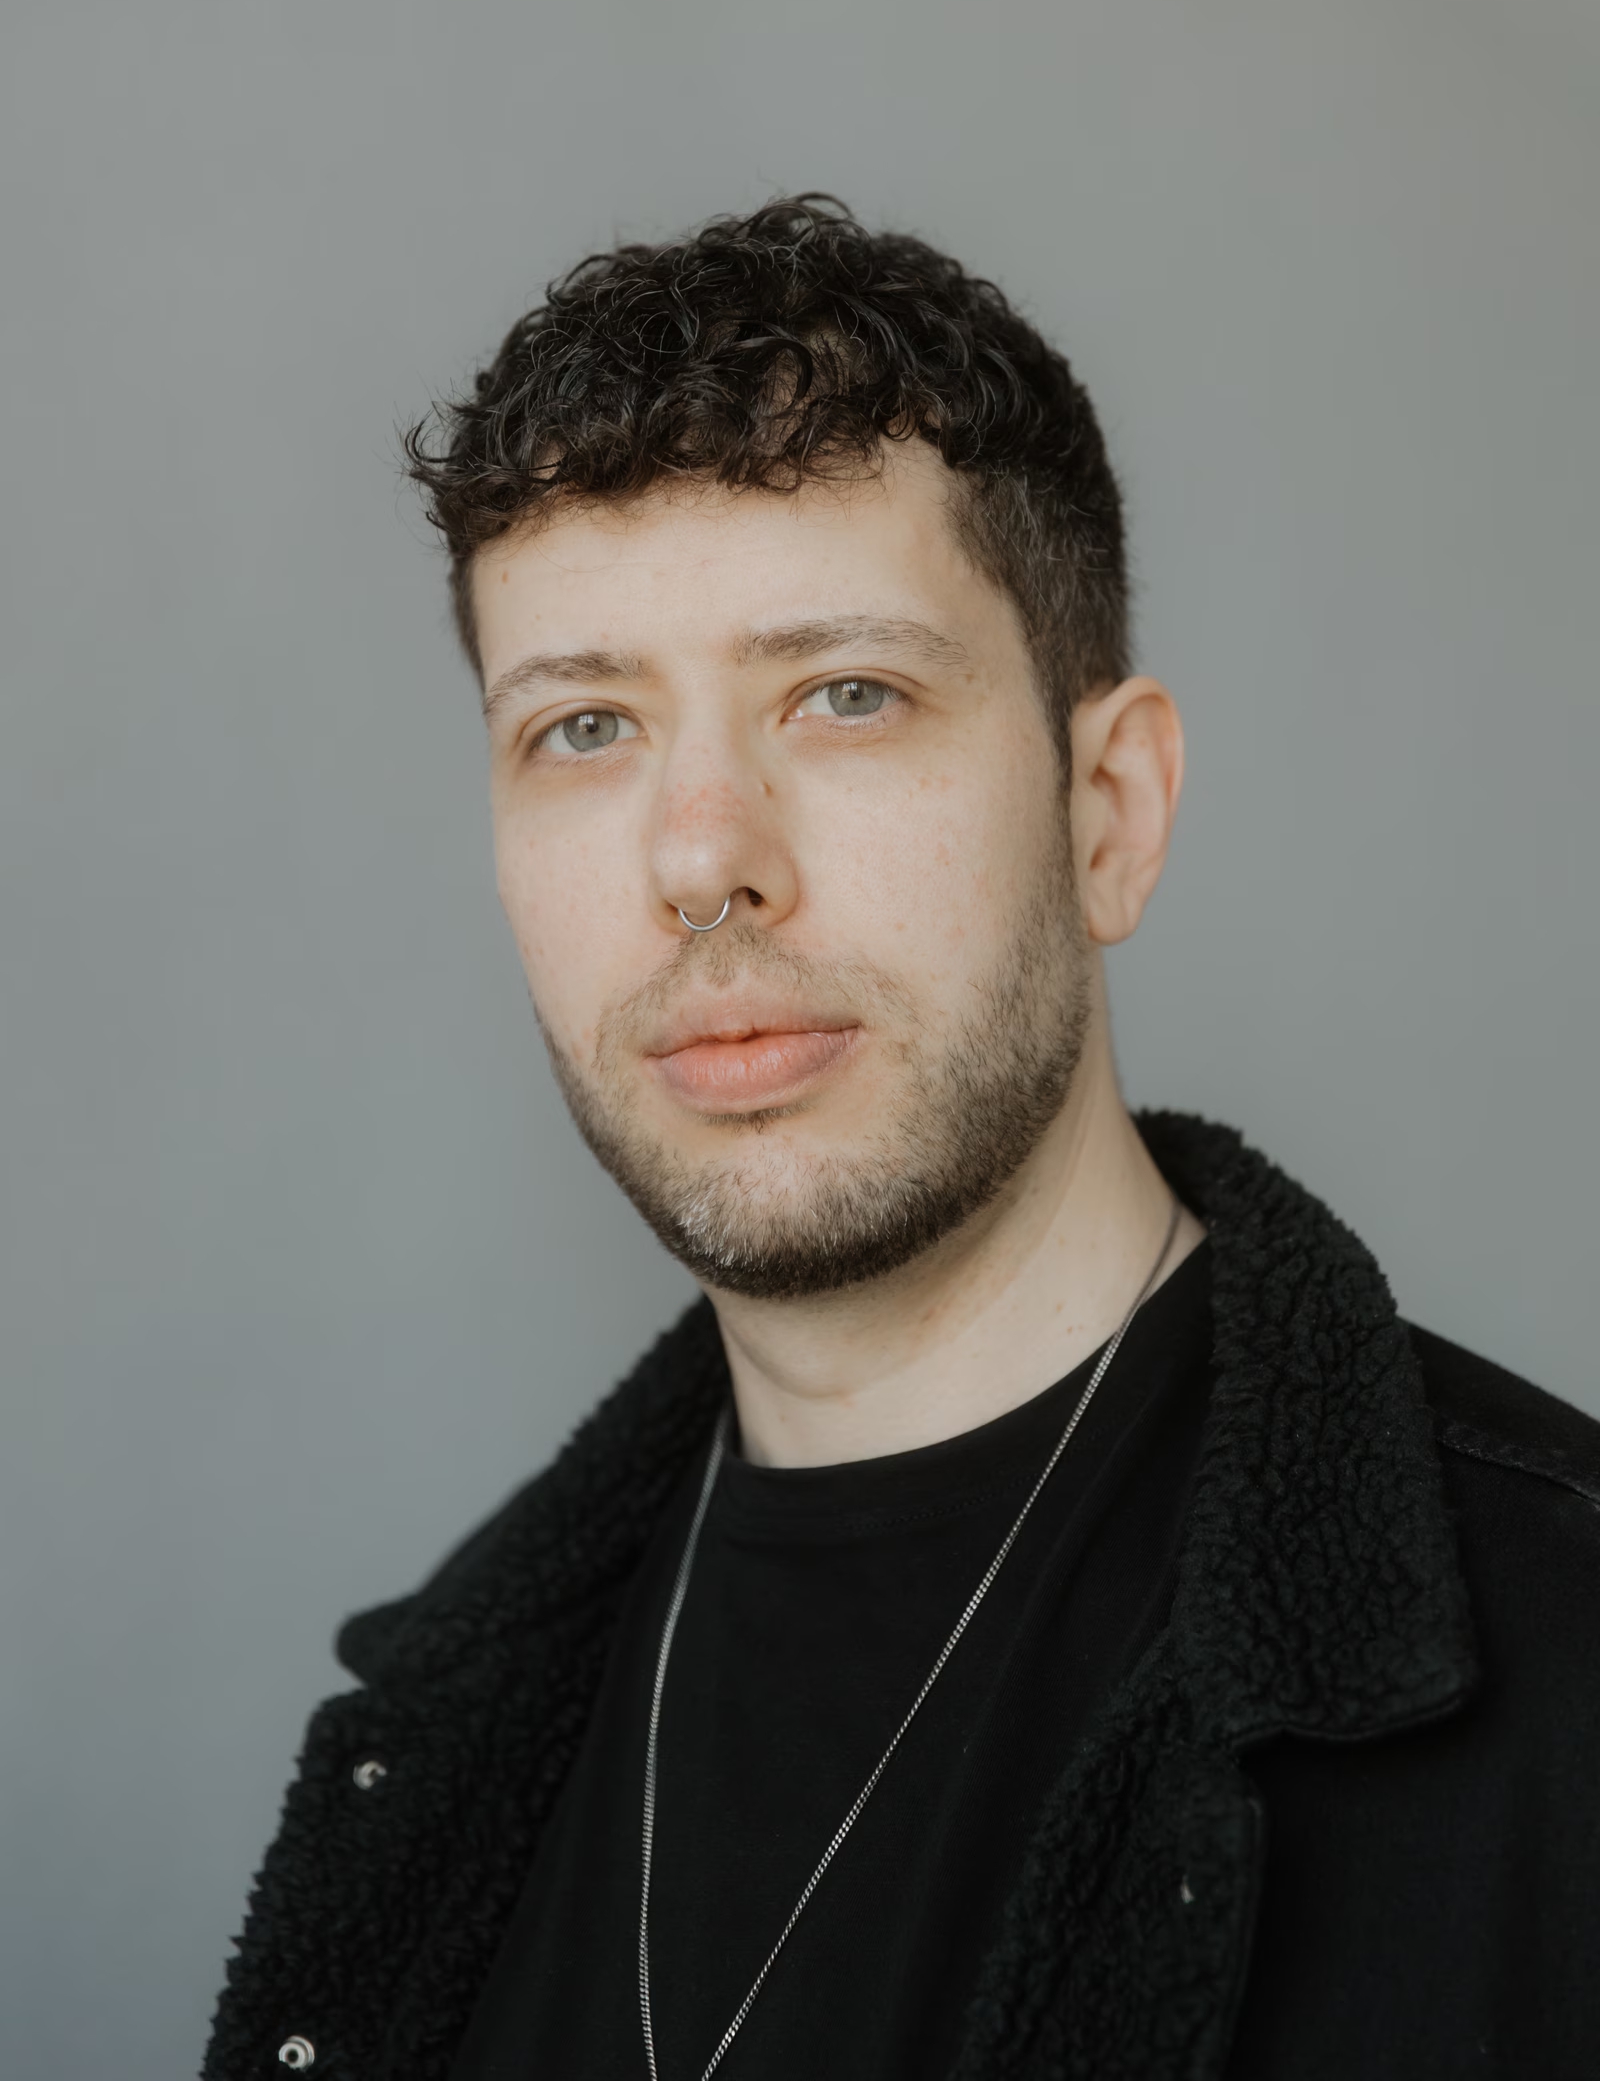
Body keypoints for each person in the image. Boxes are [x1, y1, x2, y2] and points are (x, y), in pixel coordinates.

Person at [204, 198, 1600, 2081]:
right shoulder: (447, 1738)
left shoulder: (1570, 1681)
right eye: (585, 726)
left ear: (1108, 813)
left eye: (844, 694)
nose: (701, 857)